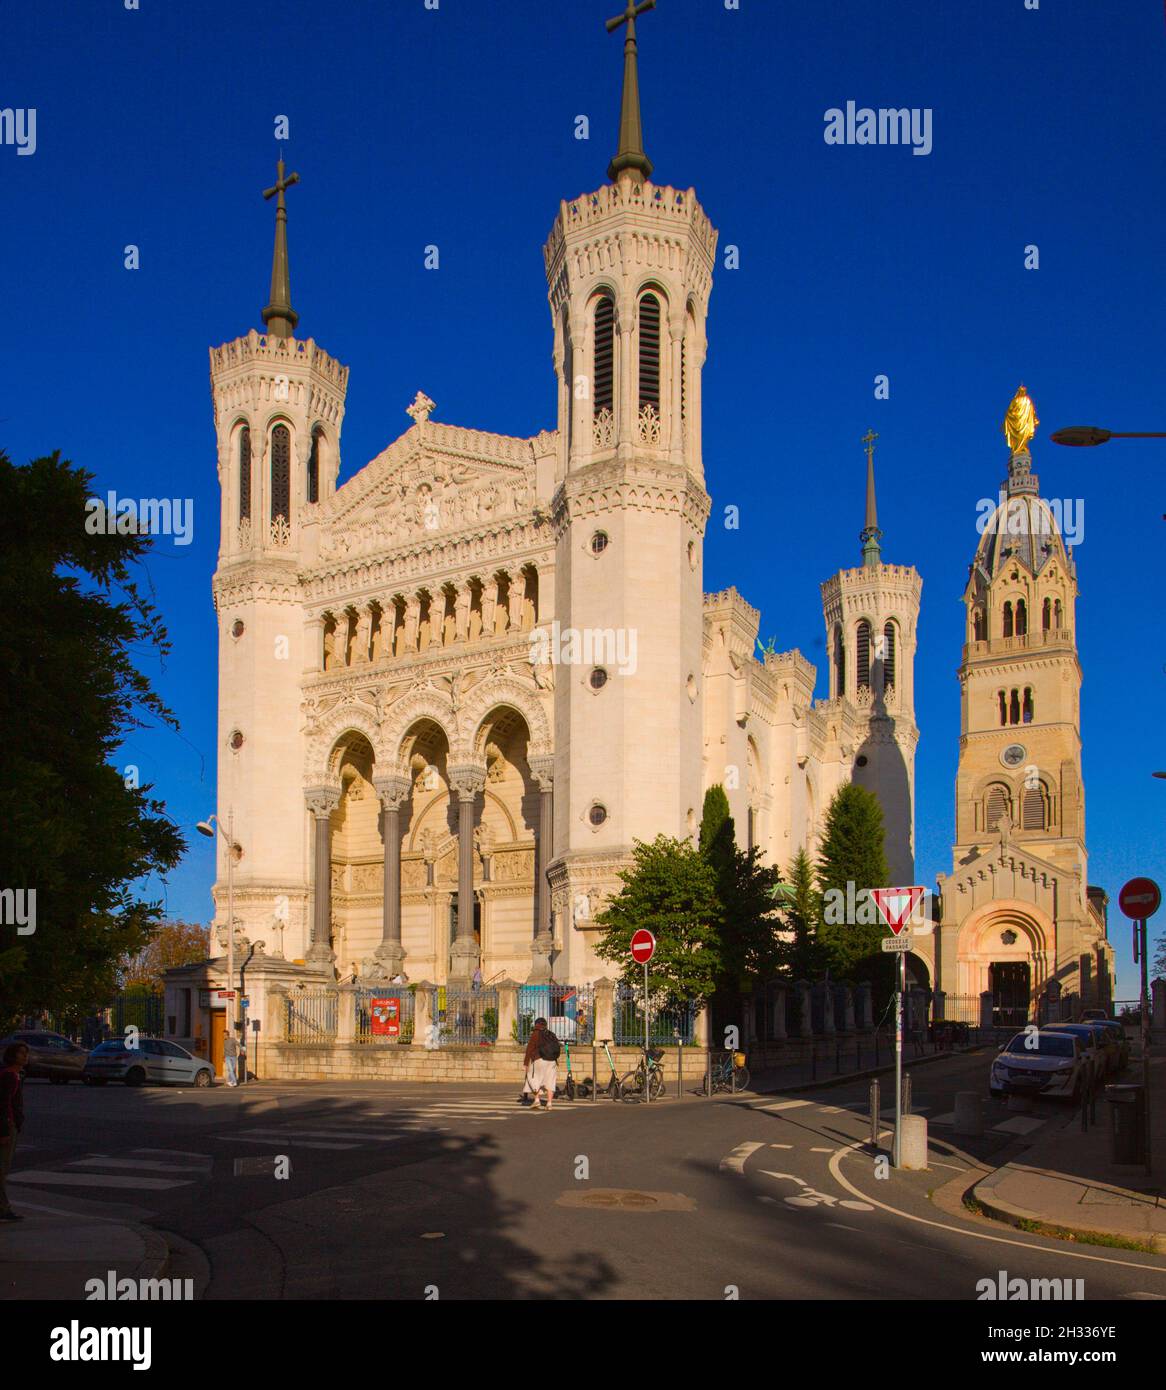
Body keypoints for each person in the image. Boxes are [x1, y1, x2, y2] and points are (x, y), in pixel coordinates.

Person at [0, 1042, 28, 1221]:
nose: (25, 1057)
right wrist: (5, 1128)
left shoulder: (15, 1075)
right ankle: (3, 1208)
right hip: (8, 1125)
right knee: (2, 1168)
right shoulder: (10, 1076)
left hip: (10, 1124)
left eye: (26, 1053)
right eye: (21, 1053)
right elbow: (3, 1104)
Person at [522, 1017, 561, 1111]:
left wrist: (525, 1063)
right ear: (545, 1025)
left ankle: (536, 1100)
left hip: (539, 1060)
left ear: (536, 1025)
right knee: (550, 1081)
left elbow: (529, 1049)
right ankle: (549, 1103)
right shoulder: (551, 1034)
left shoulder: (535, 1034)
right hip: (552, 1061)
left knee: (534, 1079)